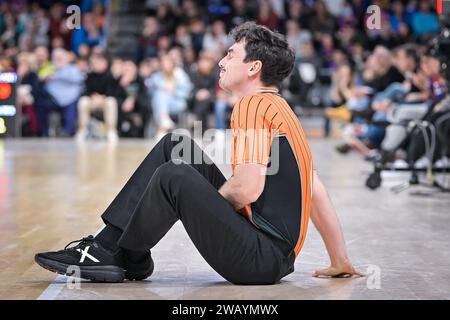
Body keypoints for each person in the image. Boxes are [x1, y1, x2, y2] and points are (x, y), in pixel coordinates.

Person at [35, 22, 362, 284]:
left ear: (253, 68)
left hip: (257, 260)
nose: (221, 61)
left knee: (174, 176)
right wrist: (339, 259)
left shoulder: (252, 104)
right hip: (270, 256)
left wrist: (200, 201)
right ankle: (116, 251)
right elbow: (314, 189)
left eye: (231, 55)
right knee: (174, 146)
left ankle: (121, 254)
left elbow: (248, 188)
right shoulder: (281, 110)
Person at [75, 53, 119, 143]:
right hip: (92, 102)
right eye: (95, 62)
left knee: (111, 101)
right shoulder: (89, 76)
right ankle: (83, 130)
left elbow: (113, 92)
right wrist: (92, 97)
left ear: (106, 63)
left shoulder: (110, 76)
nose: (96, 64)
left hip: (105, 102)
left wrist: (102, 98)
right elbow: (85, 91)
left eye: (99, 62)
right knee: (83, 101)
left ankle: (111, 131)